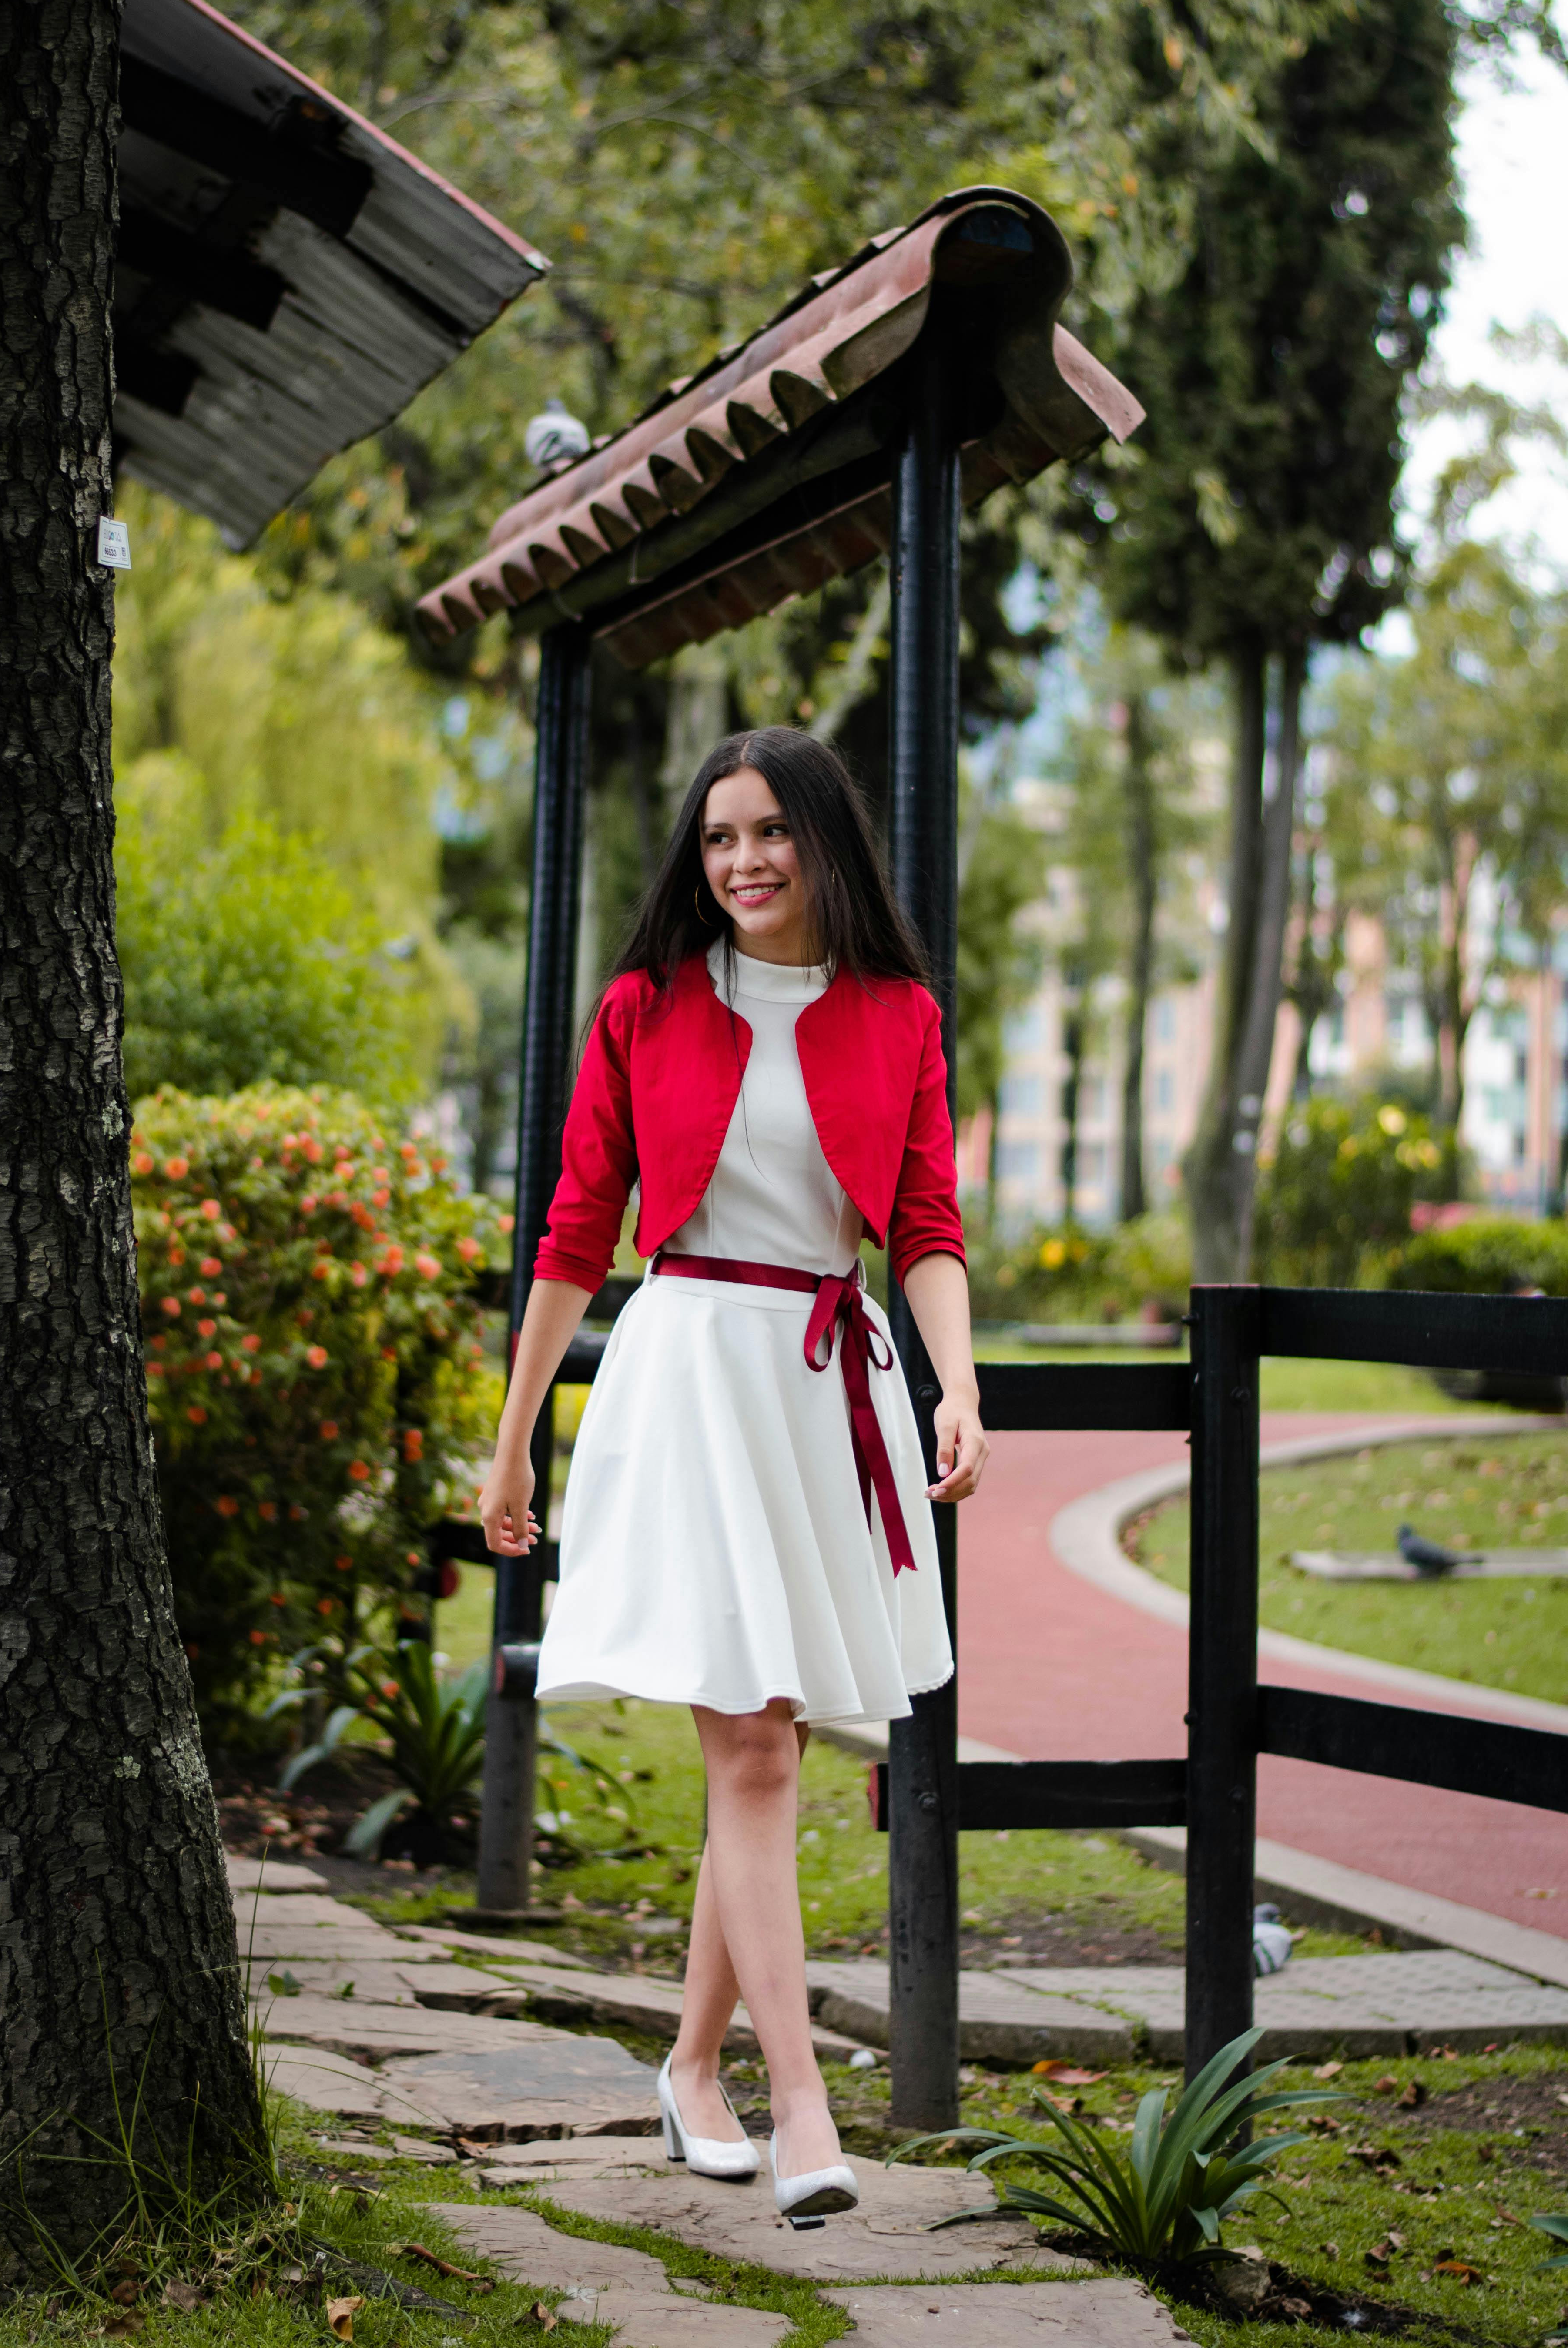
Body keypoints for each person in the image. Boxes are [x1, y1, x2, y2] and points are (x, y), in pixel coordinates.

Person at [480, 727, 988, 2220]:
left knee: (767, 1746)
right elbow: (576, 1231)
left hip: (832, 1386)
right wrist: (515, 1439)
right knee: (756, 1750)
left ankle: (691, 2066)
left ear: (823, 837)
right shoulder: (645, 1007)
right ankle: (807, 2102)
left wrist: (961, 1386)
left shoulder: (900, 1012)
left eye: (770, 832)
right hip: (693, 1371)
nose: (745, 862)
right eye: (719, 839)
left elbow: (926, 1227)